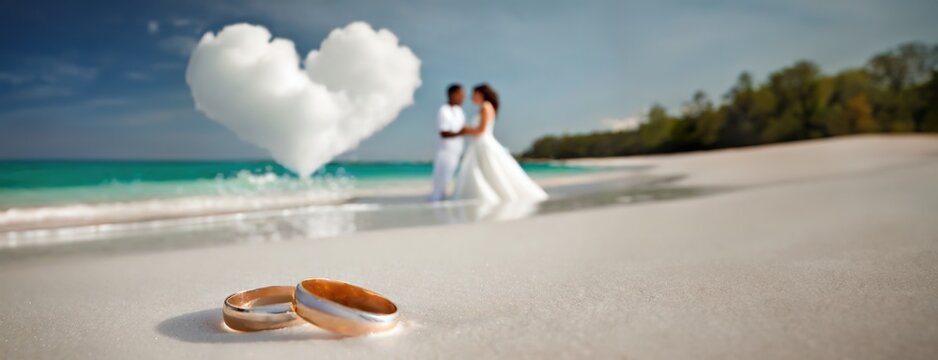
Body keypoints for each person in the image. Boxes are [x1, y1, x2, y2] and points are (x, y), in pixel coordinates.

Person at [451, 84, 548, 202]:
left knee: (490, 171)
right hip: (482, 143)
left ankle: (491, 197)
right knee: (491, 171)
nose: (471, 97)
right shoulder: (488, 107)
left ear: (481, 94)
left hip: (483, 143)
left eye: (474, 94)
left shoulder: (485, 107)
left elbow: (481, 130)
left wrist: (466, 130)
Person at [430, 84, 466, 201]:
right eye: (460, 95)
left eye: (463, 96)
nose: (462, 98)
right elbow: (444, 133)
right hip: (445, 150)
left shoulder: (460, 111)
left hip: (457, 150)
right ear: (452, 95)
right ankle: (436, 203)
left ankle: (442, 203)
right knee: (441, 180)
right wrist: (461, 132)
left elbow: (462, 130)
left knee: (449, 178)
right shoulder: (444, 110)